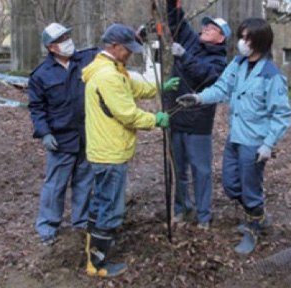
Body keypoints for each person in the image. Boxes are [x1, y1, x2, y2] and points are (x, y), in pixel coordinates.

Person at [177, 17, 291, 254]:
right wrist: (199, 98)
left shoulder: (271, 75)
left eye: (246, 38)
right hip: (235, 138)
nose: (241, 42)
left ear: (259, 41)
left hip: (255, 142)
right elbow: (221, 88)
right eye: (241, 36)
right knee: (230, 185)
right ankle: (258, 214)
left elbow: (281, 114)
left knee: (250, 188)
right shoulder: (237, 64)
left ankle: (253, 229)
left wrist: (268, 144)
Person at [81, 23, 178, 277]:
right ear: (113, 46)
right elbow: (128, 114)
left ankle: (93, 252)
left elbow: (135, 89)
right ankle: (98, 263)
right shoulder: (108, 76)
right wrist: (155, 120)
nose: (130, 54)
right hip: (110, 152)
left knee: (102, 201)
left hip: (107, 150)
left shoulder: (114, 69)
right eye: (127, 49)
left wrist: (161, 86)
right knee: (110, 208)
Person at [27, 22, 98, 246]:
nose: (68, 41)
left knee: (85, 182)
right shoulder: (41, 75)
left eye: (68, 36)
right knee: (55, 186)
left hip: (87, 136)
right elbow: (37, 108)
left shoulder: (86, 60)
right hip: (61, 139)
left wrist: (135, 35)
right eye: (61, 39)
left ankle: (82, 221)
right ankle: (48, 227)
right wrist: (44, 133)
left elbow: (111, 51)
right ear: (51, 47)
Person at [164, 0, 230, 230]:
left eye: (211, 28)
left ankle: (204, 216)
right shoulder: (192, 42)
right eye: (205, 26)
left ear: (221, 37)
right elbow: (178, 23)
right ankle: (182, 209)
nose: (205, 29)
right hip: (175, 115)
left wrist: (184, 56)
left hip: (198, 123)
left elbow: (206, 76)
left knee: (200, 171)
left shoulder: (220, 60)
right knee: (178, 170)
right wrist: (172, 1)